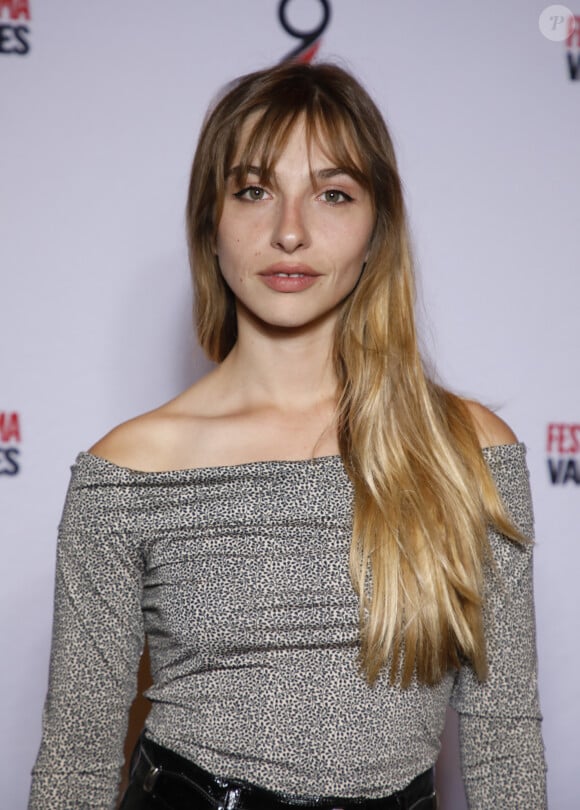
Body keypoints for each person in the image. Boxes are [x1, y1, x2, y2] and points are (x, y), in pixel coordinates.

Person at [29, 61, 547, 809]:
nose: (290, 231)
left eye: (333, 194)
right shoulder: (130, 469)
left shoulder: (466, 449)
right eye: (253, 190)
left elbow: (504, 743)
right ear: (211, 221)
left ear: (378, 229)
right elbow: (75, 764)